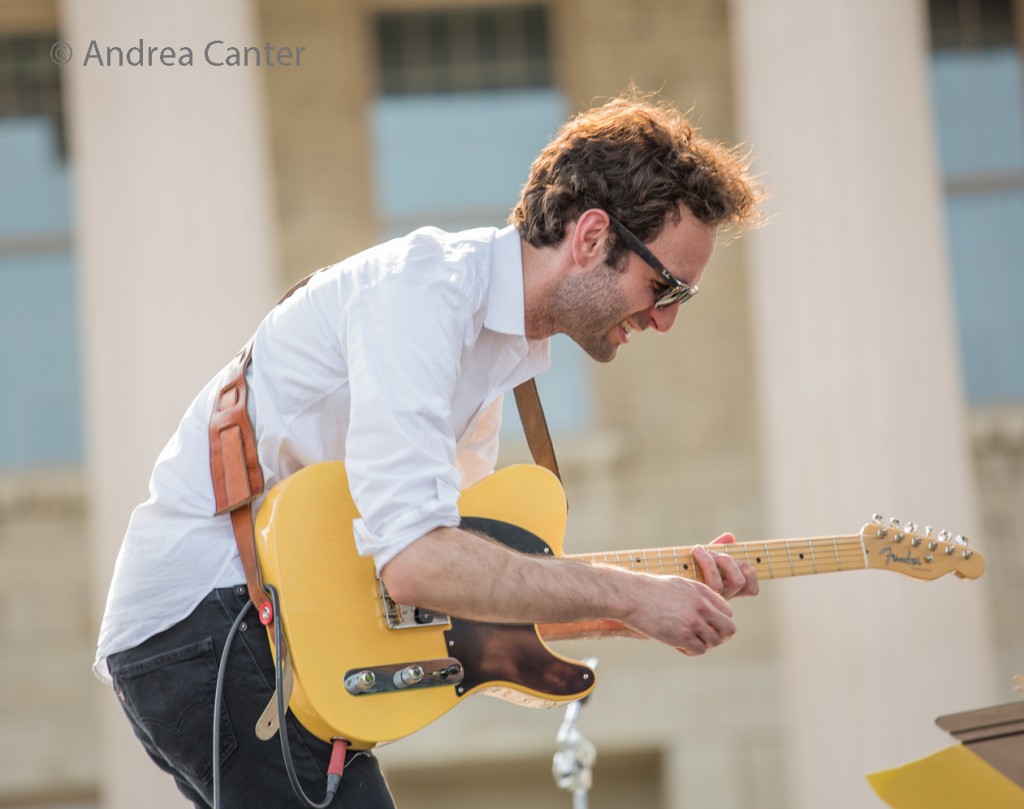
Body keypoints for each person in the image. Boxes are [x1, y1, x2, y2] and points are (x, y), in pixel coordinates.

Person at [94, 93, 764, 808]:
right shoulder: (424, 294)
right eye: (665, 285)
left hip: (252, 633)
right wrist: (633, 595)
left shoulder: (496, 354)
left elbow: (453, 600)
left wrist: (656, 600)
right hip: (208, 622)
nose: (664, 318)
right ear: (593, 236)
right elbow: (417, 562)